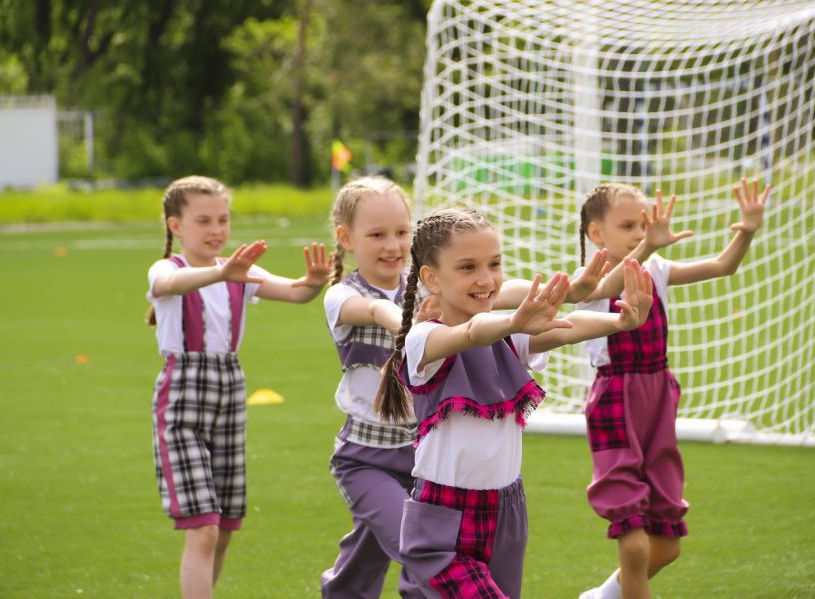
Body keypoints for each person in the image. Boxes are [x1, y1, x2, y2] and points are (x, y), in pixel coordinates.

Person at [374, 207, 653, 599]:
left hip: (507, 513)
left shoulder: (507, 340)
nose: (486, 279)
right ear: (431, 278)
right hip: (443, 523)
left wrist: (618, 323)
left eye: (495, 264)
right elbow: (472, 331)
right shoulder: (424, 340)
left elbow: (567, 328)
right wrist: (513, 322)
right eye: (468, 267)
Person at [575, 178, 770, 599]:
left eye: (644, 226)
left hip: (659, 396)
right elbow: (609, 288)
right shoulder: (588, 279)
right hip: (616, 399)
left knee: (667, 545)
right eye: (629, 226)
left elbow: (723, 266)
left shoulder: (656, 269)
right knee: (634, 536)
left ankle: (601, 597)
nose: (640, 235)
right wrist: (648, 248)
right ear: (596, 233)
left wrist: (748, 230)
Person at [146, 175, 332, 599]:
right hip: (182, 397)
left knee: (226, 526)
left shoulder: (240, 270)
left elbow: (295, 292)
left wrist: (315, 281)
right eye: (204, 221)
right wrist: (220, 275)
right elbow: (167, 286)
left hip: (230, 391)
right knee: (204, 527)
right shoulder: (168, 267)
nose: (216, 230)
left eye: (223, 220)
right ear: (175, 226)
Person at [320, 176, 428, 598]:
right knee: (420, 547)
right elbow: (369, 308)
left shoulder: (425, 286)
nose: (393, 245)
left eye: (402, 232)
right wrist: (401, 318)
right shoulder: (341, 295)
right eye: (377, 234)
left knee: (368, 555)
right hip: (366, 458)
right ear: (346, 238)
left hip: (423, 455)